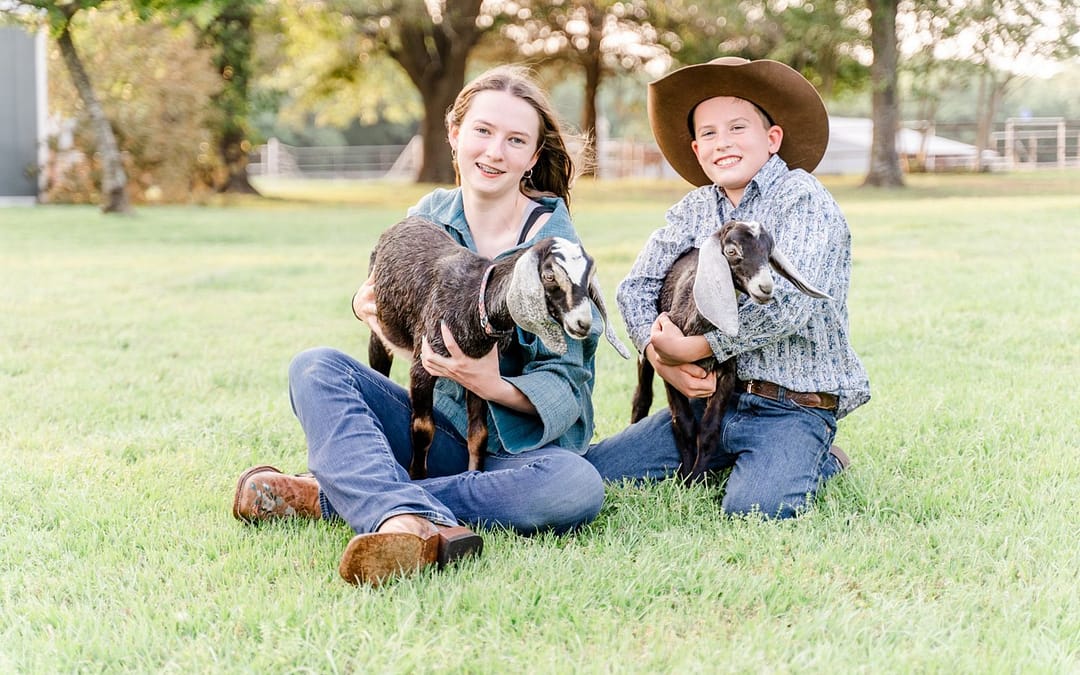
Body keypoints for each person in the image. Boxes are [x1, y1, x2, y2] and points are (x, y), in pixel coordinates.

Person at [232, 65, 606, 586]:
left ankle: (337, 497)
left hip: (509, 456)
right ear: (455, 135)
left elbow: (568, 385)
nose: (495, 151)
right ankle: (396, 514)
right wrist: (368, 304)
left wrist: (489, 382)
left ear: (533, 156)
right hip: (429, 428)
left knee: (574, 488)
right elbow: (388, 288)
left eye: (515, 139)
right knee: (314, 367)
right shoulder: (430, 214)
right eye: (483, 131)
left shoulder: (558, 253)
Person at [585, 57, 871, 519]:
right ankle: (736, 456)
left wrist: (696, 345)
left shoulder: (803, 198)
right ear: (697, 150)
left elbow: (790, 304)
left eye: (738, 127)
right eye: (710, 134)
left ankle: (816, 457)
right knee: (595, 471)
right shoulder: (694, 210)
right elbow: (636, 285)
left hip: (789, 405)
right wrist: (659, 353)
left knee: (755, 508)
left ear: (772, 138)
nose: (724, 143)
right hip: (713, 402)